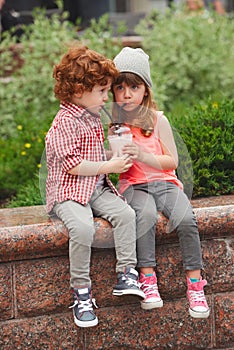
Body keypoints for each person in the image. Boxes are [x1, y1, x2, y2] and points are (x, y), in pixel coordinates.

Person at [45, 45, 145, 328]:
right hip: (69, 192)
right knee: (83, 227)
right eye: (102, 91)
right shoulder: (64, 122)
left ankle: (126, 272)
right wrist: (108, 167)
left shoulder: (91, 117)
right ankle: (81, 292)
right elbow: (74, 165)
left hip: (95, 187)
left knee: (126, 214)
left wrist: (112, 153)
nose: (106, 97)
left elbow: (93, 155)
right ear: (78, 90)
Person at [110, 46, 210, 318]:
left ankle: (195, 282)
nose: (126, 94)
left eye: (133, 87)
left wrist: (143, 154)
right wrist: (114, 155)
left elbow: (172, 162)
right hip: (133, 185)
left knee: (186, 218)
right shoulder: (113, 125)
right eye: (120, 88)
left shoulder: (157, 120)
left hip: (164, 182)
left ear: (145, 90)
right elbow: (110, 161)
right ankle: (148, 278)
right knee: (143, 216)